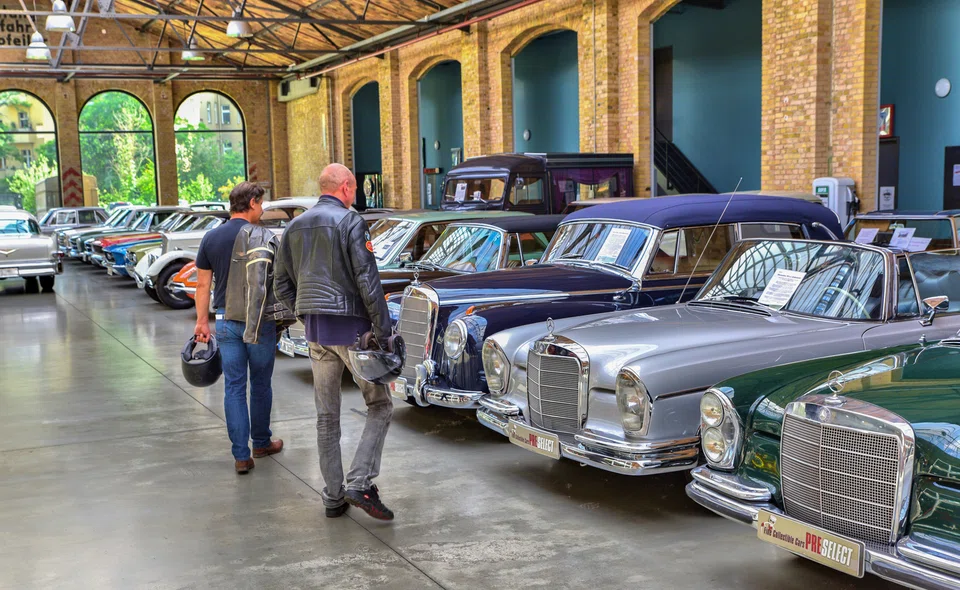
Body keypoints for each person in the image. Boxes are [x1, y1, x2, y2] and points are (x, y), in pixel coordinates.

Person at [274, 163, 395, 521]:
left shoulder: (293, 227)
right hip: (354, 332)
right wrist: (384, 333)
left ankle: (333, 497)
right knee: (381, 405)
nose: (354, 195)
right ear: (345, 187)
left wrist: (308, 316)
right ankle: (359, 481)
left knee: (327, 416)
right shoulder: (350, 222)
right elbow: (367, 282)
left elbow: (281, 284)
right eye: (353, 189)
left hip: (316, 336)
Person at [194, 182, 284, 474]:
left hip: (225, 321)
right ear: (253, 202)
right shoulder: (265, 237)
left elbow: (203, 285)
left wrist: (201, 322)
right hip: (260, 323)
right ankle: (261, 441)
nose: (263, 210)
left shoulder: (211, 238)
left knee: (234, 386)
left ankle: (241, 456)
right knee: (260, 383)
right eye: (262, 204)